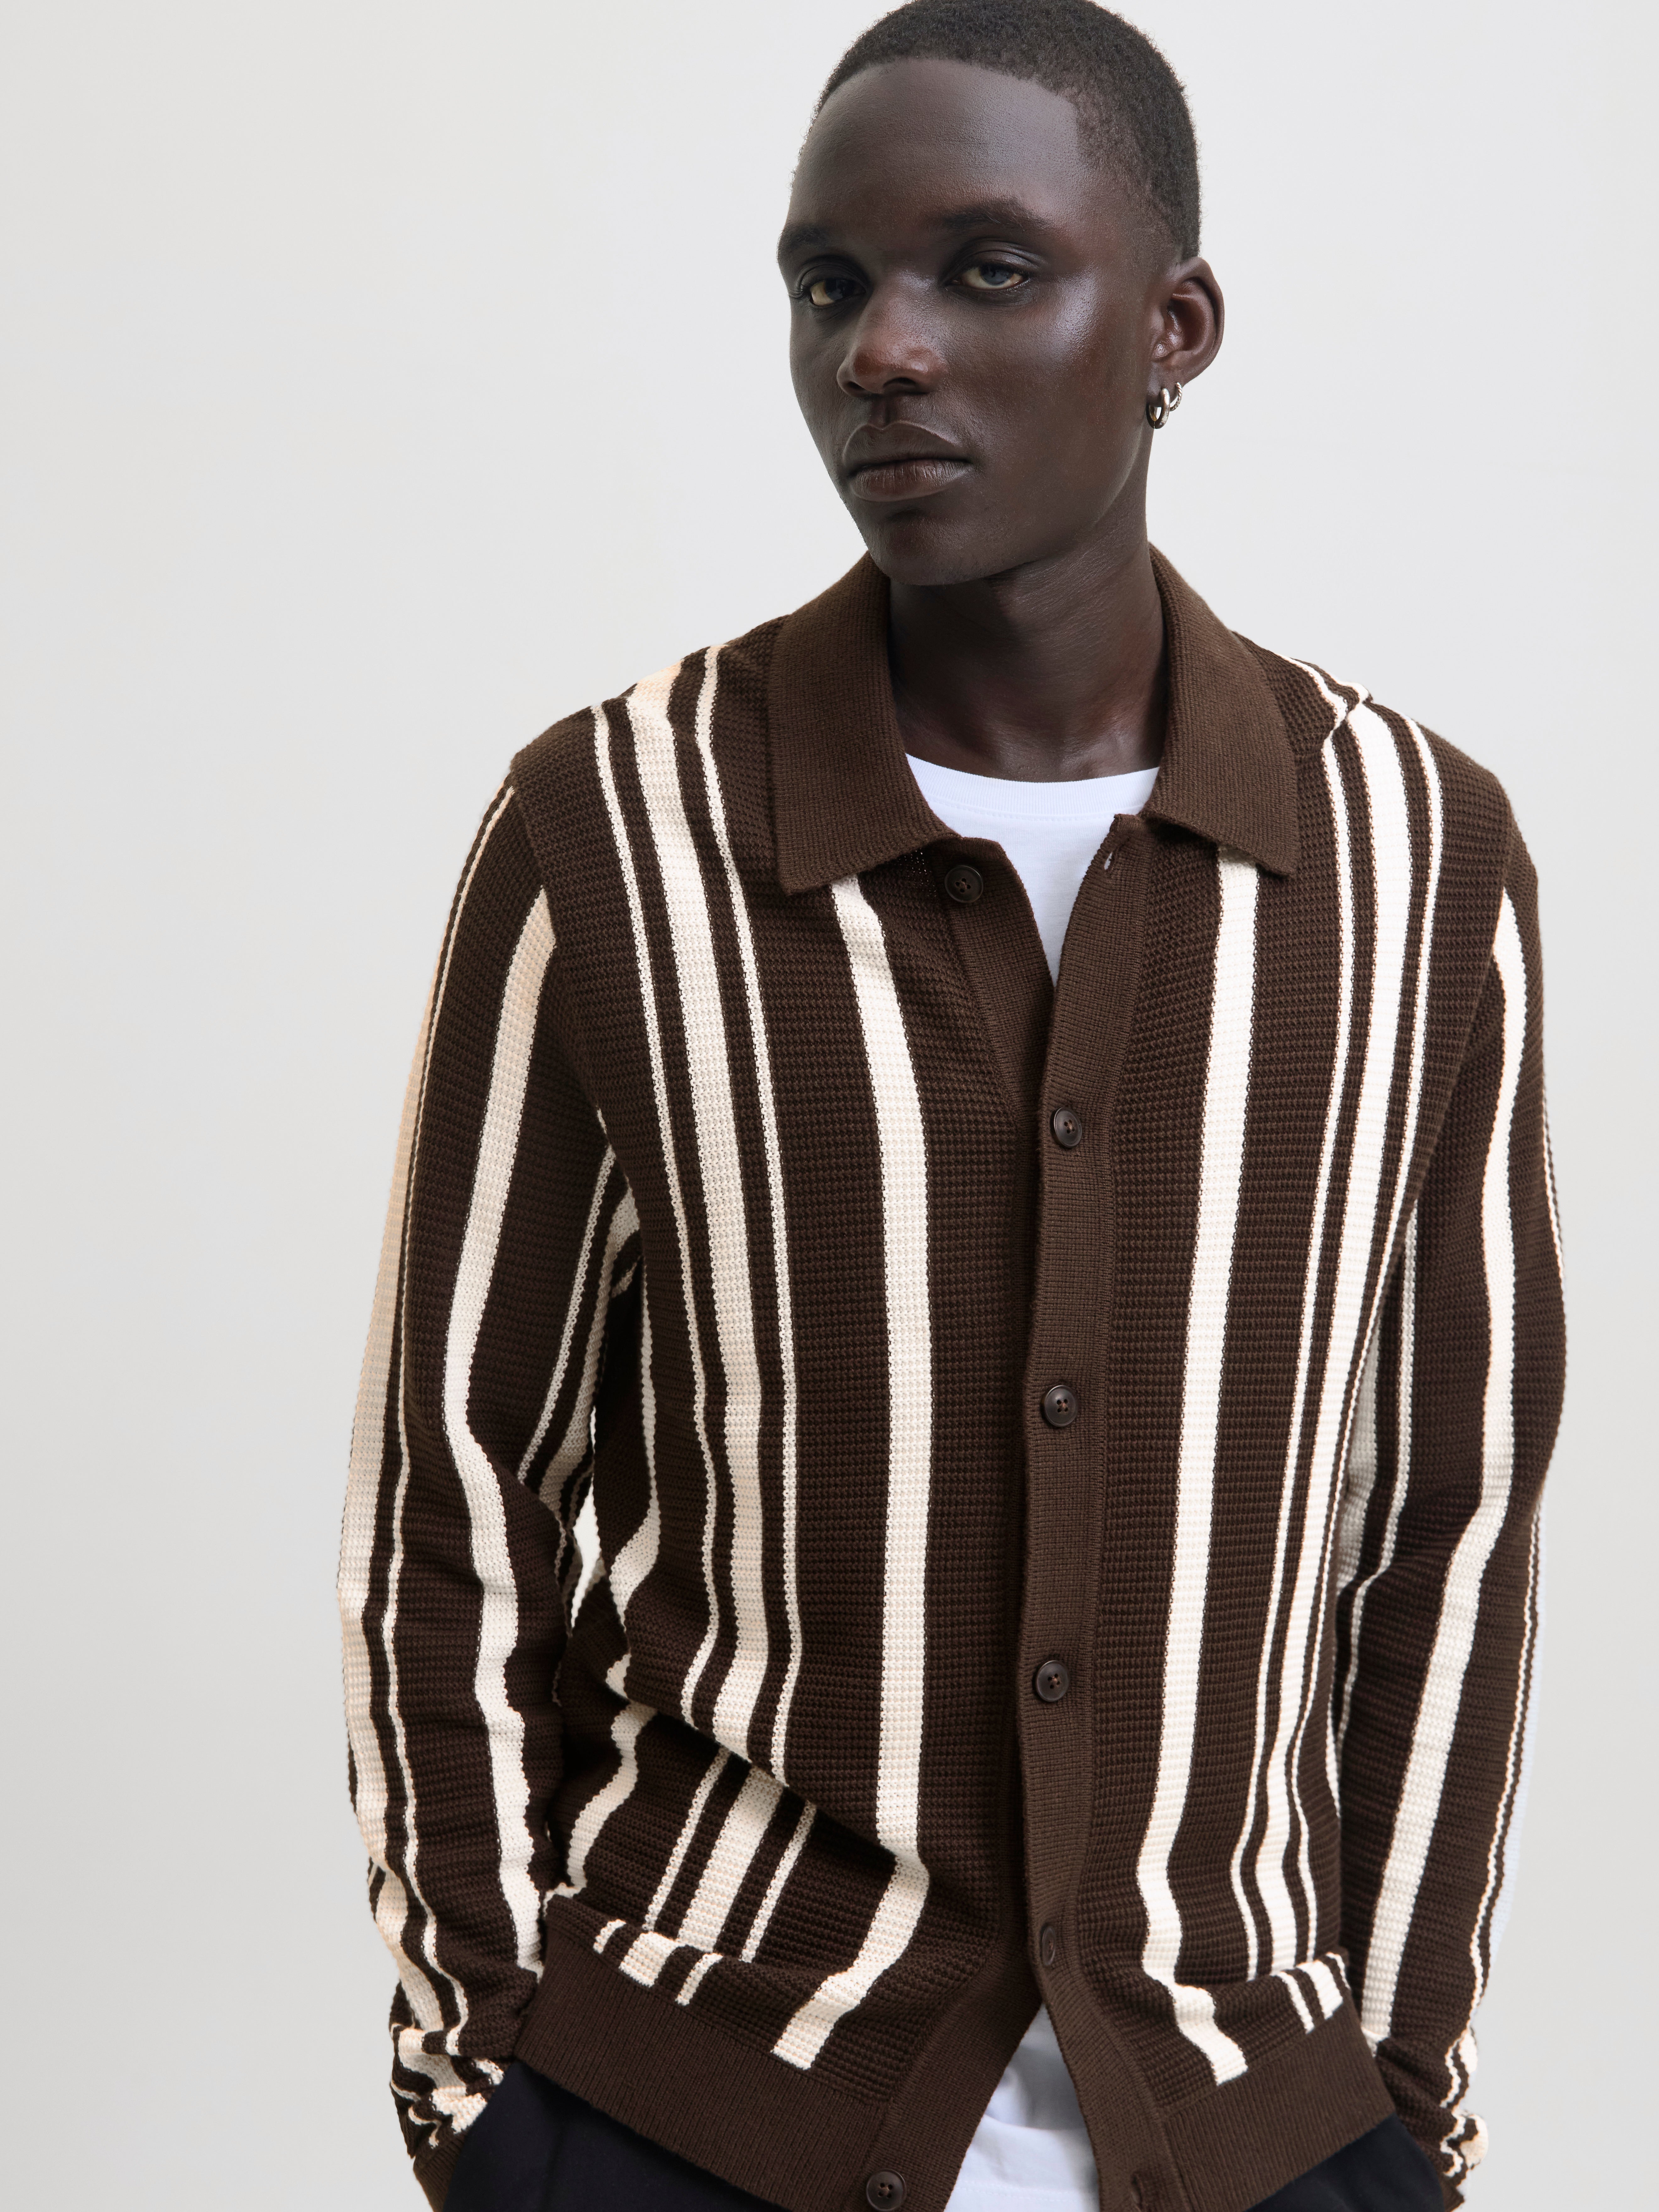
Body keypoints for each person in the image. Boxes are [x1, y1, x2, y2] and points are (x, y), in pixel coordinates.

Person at [338, 4, 1563, 2208]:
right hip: (689, 2106)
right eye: (829, 284)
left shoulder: (1411, 857)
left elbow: (1444, 1518)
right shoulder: (606, 830)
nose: (880, 351)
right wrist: (481, 2076)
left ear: (1173, 327)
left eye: (985, 271)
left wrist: (1394, 2091)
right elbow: (455, 1478)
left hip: (1256, 2119)